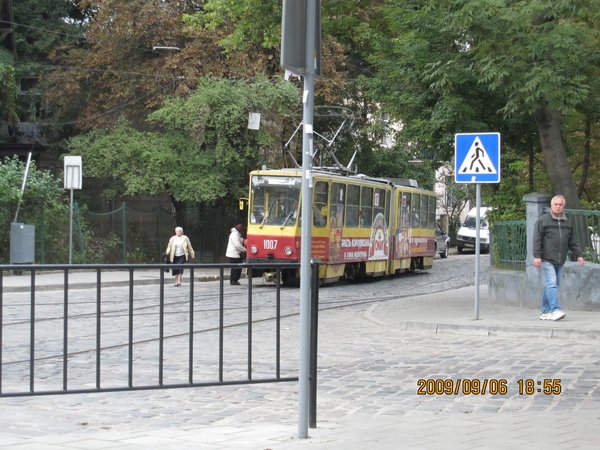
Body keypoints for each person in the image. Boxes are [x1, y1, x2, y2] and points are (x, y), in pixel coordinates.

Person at [533, 195, 584, 321]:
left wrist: (579, 255)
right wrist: (537, 256)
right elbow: (536, 239)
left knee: (553, 285)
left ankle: (545, 311)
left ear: (563, 206)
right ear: (551, 205)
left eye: (560, 204)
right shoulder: (543, 220)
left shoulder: (568, 222)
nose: (558, 206)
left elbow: (573, 240)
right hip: (547, 258)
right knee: (552, 284)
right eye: (555, 204)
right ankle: (555, 310)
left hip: (560, 259)